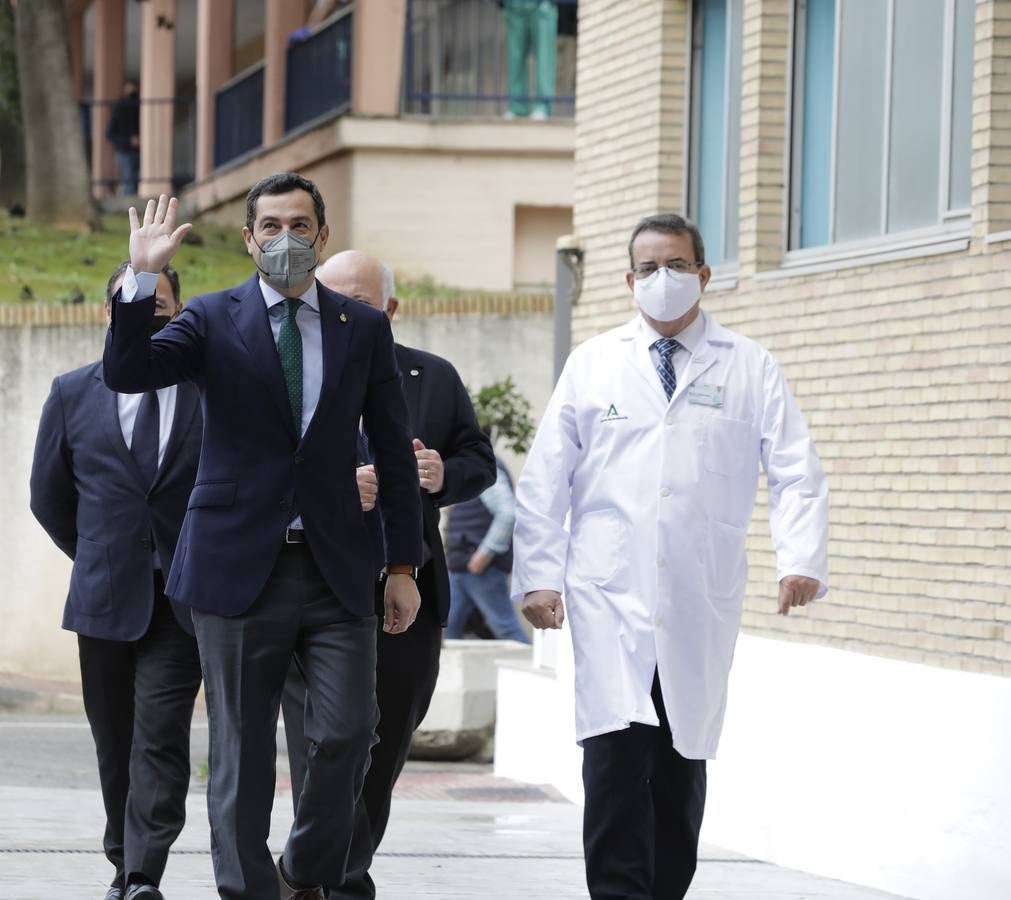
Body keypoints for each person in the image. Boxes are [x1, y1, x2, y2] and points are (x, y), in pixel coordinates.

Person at [103, 177, 424, 900]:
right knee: (242, 754)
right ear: (249, 240)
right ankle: (248, 893)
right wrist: (143, 274)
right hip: (235, 569)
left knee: (348, 735)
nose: (286, 238)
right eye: (271, 225)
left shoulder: (360, 327)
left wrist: (402, 563)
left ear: (322, 235)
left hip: (338, 567)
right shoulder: (213, 318)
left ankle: (303, 872)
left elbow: (394, 454)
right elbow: (126, 373)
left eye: (300, 224)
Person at [511, 213, 829, 900]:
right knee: (614, 759)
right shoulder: (592, 363)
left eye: (677, 265)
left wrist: (798, 558)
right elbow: (543, 480)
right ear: (628, 280)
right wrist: (536, 576)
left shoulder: (748, 366)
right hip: (606, 594)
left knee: (680, 761)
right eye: (648, 268)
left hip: (696, 593)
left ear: (703, 275)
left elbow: (795, 469)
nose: (663, 279)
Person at [280, 250, 497, 898]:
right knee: (324, 746)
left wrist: (442, 474)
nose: (345, 313)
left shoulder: (430, 377)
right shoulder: (290, 373)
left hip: (408, 587)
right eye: (333, 298)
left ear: (391, 310)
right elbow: (251, 466)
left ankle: (332, 870)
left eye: (362, 302)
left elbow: (477, 458)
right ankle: (331, 880)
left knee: (384, 743)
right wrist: (332, 487)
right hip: (311, 587)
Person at [29, 261, 202, 900]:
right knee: (114, 737)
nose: (154, 316)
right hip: (103, 597)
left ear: (181, 314)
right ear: (111, 314)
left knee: (160, 734)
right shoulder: (73, 392)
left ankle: (140, 874)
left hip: (184, 599)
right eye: (139, 306)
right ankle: (121, 854)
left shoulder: (209, 390)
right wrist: (98, 556)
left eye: (165, 306)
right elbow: (48, 497)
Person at [444, 458, 529, 644]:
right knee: (445, 628)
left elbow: (507, 514)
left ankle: (533, 670)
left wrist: (484, 554)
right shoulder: (470, 467)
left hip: (480, 568)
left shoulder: (483, 466)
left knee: (505, 629)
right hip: (462, 566)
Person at [499, 0, 559, 120]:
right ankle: (517, 106)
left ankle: (543, 106)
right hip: (514, 6)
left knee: (544, 56)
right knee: (515, 59)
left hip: (542, 5)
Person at [107, 79, 141, 196]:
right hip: (124, 151)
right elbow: (110, 134)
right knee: (129, 181)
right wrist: (128, 141)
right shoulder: (119, 109)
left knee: (134, 181)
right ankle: (129, 206)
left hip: (137, 151)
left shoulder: (139, 108)